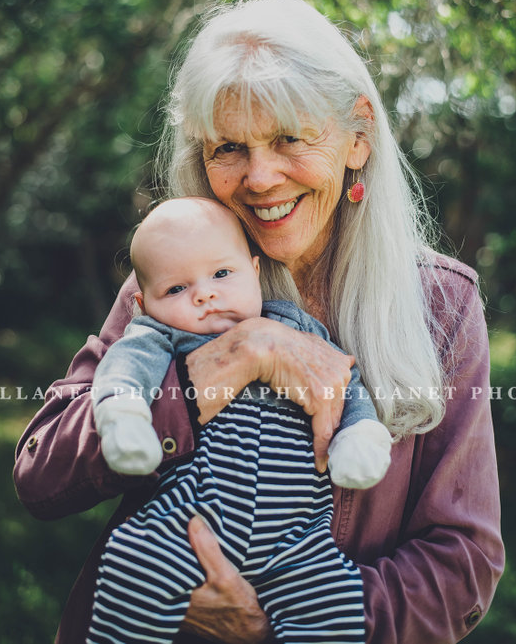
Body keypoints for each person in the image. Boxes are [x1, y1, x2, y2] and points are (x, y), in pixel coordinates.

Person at [14, 0, 505, 644]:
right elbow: (41, 473)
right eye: (229, 148)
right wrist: (231, 360)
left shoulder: (442, 304)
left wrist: (272, 621)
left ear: (356, 136)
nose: (260, 177)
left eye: (287, 138)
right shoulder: (178, 282)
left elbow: (462, 563)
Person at [87, 196, 391, 643]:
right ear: (143, 302)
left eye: (222, 274)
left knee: (334, 604)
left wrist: (358, 432)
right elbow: (122, 373)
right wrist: (124, 416)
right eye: (176, 289)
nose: (204, 294)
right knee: (134, 562)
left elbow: (344, 379)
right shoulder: (159, 337)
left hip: (297, 537)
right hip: (191, 520)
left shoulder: (299, 332)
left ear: (254, 269)